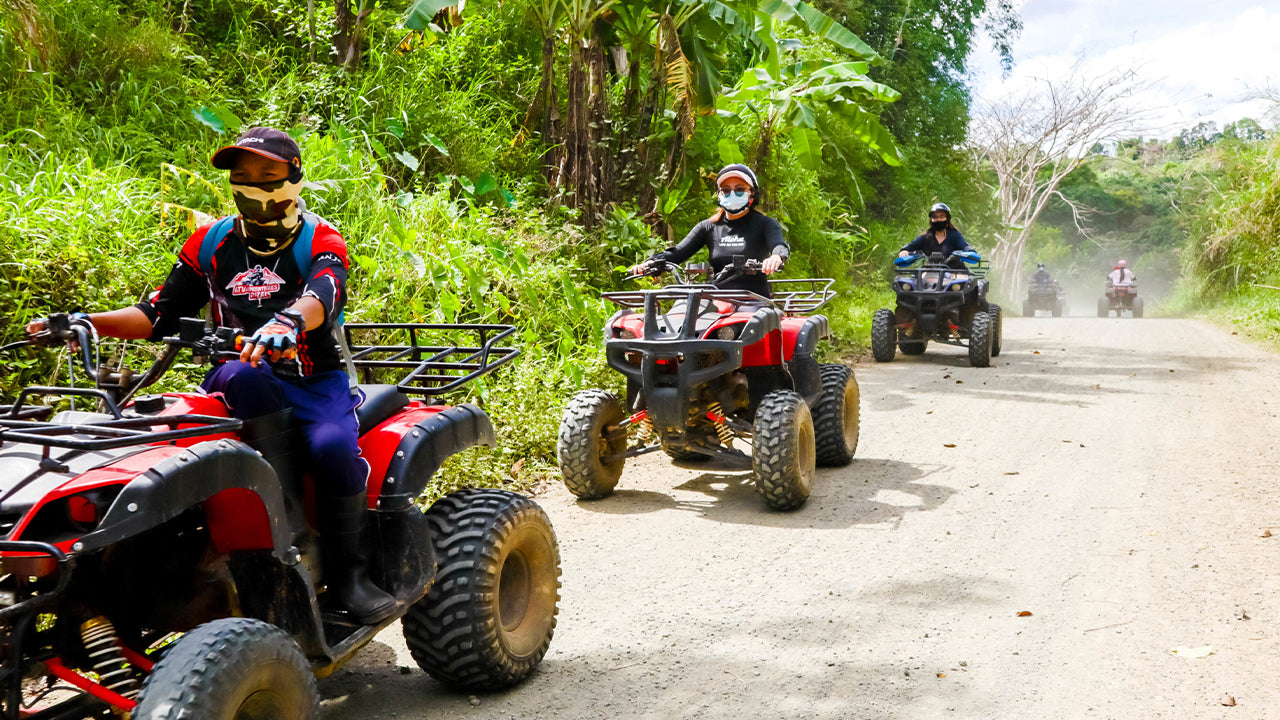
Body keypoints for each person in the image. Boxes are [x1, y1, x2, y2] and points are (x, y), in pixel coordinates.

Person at [25, 127, 395, 624]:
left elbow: (324, 295)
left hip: (314, 381)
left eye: (269, 175)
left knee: (333, 450)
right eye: (241, 176)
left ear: (294, 177)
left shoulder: (319, 238)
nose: (254, 185)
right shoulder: (212, 241)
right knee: (219, 397)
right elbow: (160, 313)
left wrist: (287, 321)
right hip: (237, 376)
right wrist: (87, 321)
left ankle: (348, 571)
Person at [630, 164, 788, 297]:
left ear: (752, 194)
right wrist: (651, 263)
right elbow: (678, 252)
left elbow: (779, 245)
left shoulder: (765, 223)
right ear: (719, 194)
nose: (732, 194)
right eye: (726, 190)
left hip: (753, 301)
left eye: (739, 189)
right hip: (716, 299)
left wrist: (776, 257)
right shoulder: (708, 227)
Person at [898, 202, 979, 268]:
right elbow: (911, 246)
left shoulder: (954, 235)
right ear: (931, 220)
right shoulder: (925, 237)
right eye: (935, 217)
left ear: (947, 218)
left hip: (955, 272)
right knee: (913, 284)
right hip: (932, 272)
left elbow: (964, 246)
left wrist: (970, 252)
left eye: (942, 216)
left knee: (962, 284)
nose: (938, 219)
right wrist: (904, 251)